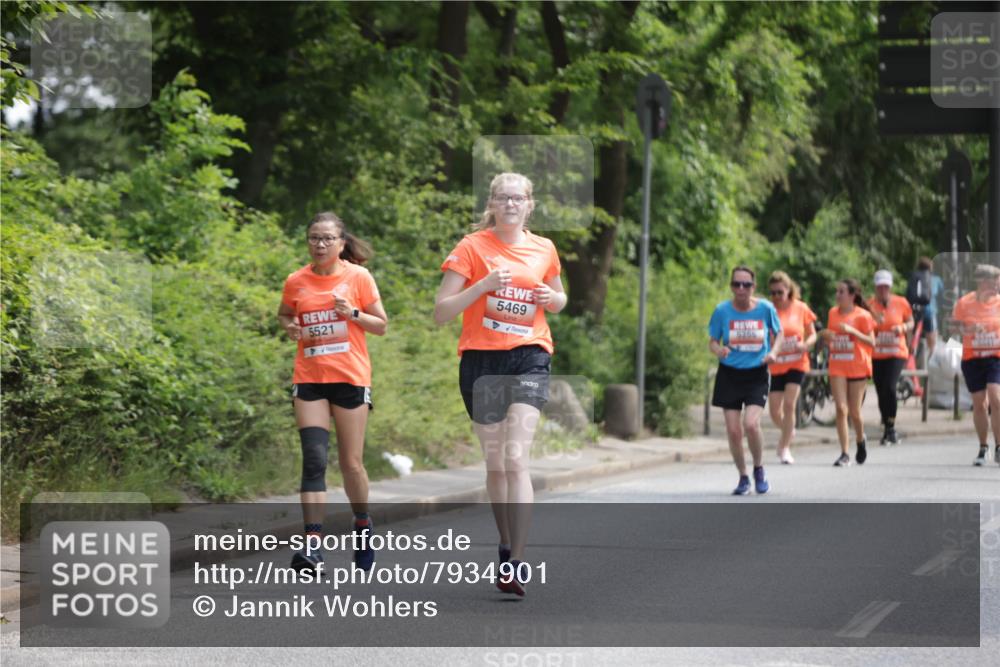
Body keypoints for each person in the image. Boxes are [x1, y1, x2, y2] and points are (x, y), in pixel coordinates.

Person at [434, 172, 566, 597]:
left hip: (530, 355)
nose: (511, 204)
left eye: (518, 198)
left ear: (530, 205)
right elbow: (441, 312)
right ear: (491, 203)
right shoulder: (471, 248)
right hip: (482, 361)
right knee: (495, 464)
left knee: (515, 458)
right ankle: (505, 544)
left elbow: (560, 297)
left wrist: (552, 300)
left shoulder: (544, 248)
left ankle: (518, 560)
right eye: (503, 198)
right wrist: (483, 286)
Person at [277, 211, 388, 572]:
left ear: (342, 244)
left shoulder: (359, 277)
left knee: (350, 463)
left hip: (350, 378)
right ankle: (313, 547)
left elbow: (381, 325)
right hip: (309, 377)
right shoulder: (297, 280)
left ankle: (362, 524)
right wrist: (291, 326)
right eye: (314, 238)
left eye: (327, 239)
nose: (320, 244)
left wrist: (353, 312)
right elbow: (284, 314)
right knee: (313, 459)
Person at [709, 266, 783, 494]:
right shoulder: (722, 311)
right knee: (733, 431)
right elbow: (712, 340)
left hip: (756, 373)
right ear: (731, 286)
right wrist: (718, 350)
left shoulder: (765, 309)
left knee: (751, 424)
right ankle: (743, 477)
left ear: (754, 287)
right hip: (729, 374)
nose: (741, 289)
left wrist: (774, 353)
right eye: (736, 284)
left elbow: (779, 333)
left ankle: (758, 468)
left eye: (746, 285)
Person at [821, 279, 876, 467]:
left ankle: (861, 439)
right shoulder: (832, 313)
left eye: (841, 292)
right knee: (840, 409)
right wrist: (828, 337)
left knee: (855, 413)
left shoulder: (863, 316)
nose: (837, 295)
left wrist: (853, 331)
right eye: (836, 291)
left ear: (852, 295)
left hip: (858, 366)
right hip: (837, 365)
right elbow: (831, 338)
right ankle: (844, 453)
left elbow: (872, 342)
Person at [951, 263, 1000, 466]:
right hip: (972, 358)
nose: (998, 286)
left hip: (995, 357)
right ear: (983, 282)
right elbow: (954, 328)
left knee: (996, 397)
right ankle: (983, 447)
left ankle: (999, 446)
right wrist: (969, 328)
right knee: (979, 404)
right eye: (995, 281)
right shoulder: (965, 303)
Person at [766, 271, 817, 465]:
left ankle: (784, 447)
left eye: (780, 292)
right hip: (777, 364)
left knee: (789, 404)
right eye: (773, 293)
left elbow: (813, 334)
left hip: (797, 362)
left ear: (789, 290)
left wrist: (805, 345)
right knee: (773, 411)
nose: (777, 297)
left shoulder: (801, 308)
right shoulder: (769, 310)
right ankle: (789, 430)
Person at [868, 270, 914, 446]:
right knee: (880, 389)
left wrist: (902, 327)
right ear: (875, 287)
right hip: (877, 353)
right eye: (880, 287)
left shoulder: (901, 302)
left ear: (890, 287)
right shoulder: (870, 305)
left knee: (890, 386)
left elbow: (911, 322)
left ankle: (891, 426)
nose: (882, 290)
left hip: (896, 352)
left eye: (886, 286)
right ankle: (886, 423)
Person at [913, 257, 944, 356]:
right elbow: (942, 297)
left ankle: (910, 363)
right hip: (931, 312)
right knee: (932, 341)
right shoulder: (936, 280)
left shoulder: (914, 278)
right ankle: (932, 361)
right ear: (930, 268)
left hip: (916, 312)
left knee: (914, 339)